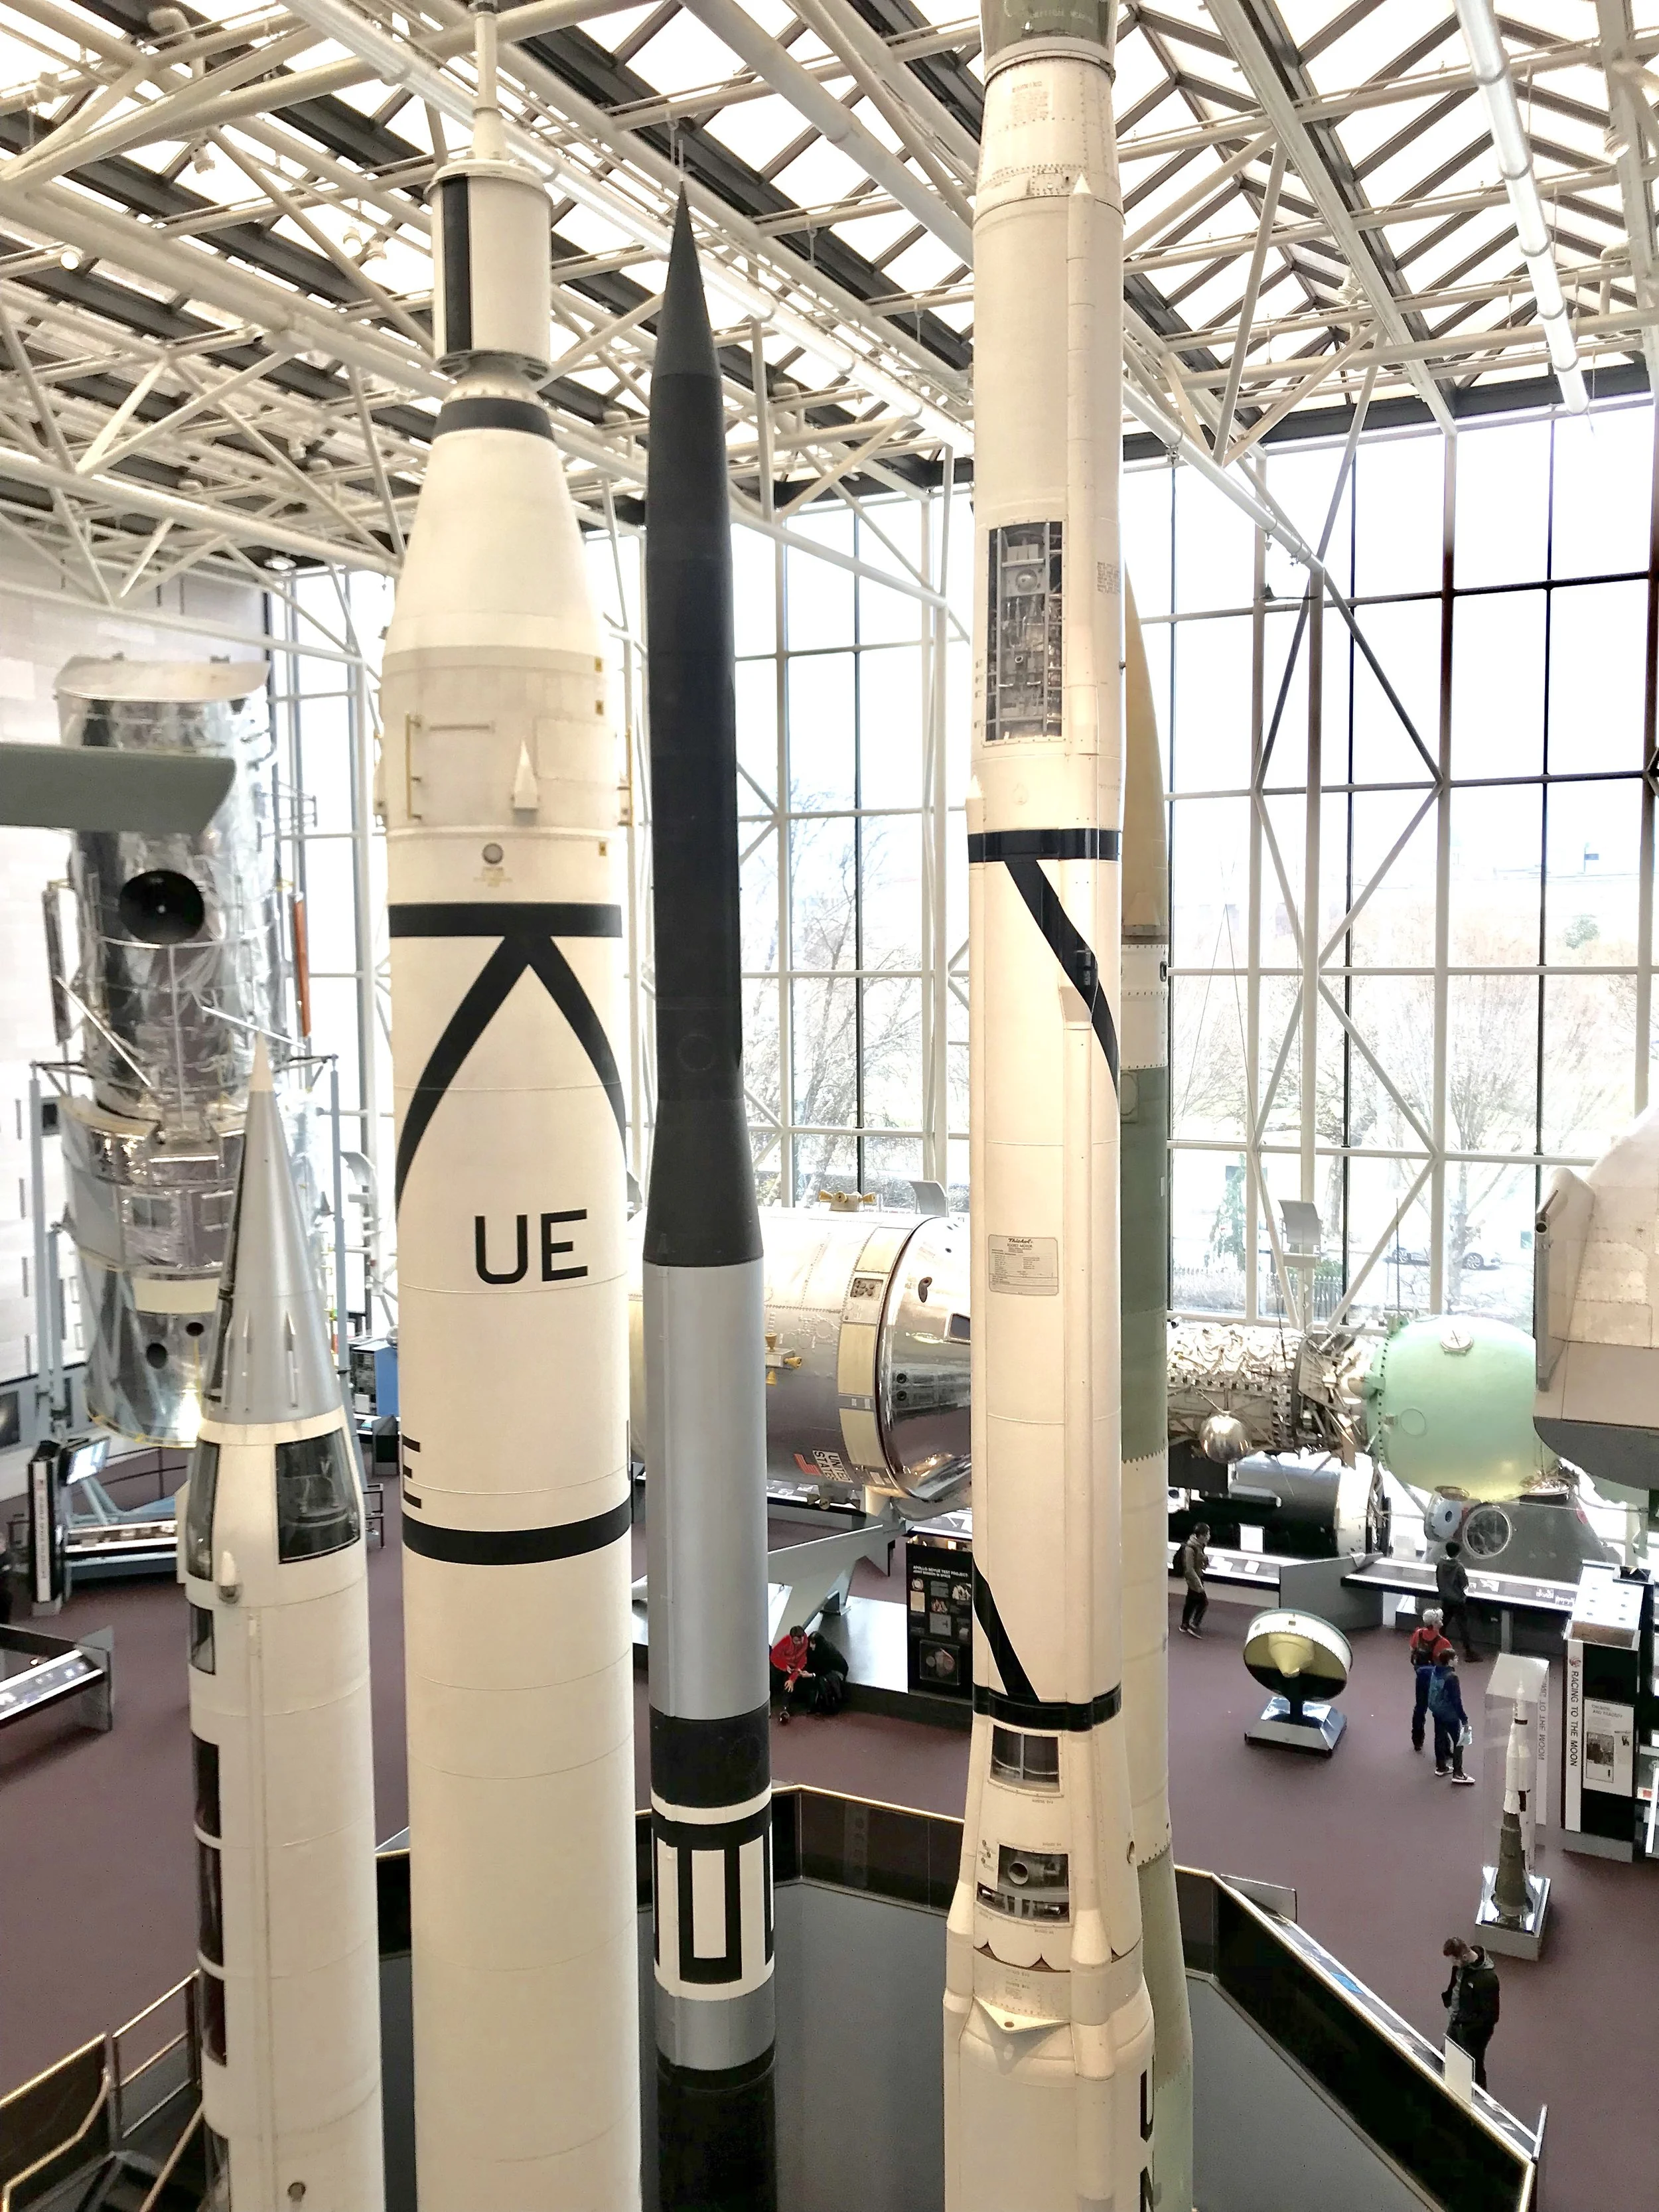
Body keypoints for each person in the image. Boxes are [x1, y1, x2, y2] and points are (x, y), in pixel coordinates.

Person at [1442, 1937, 1500, 2088]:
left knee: (1474, 2069)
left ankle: (1480, 2102)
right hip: (1457, 2022)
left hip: (1473, 2033)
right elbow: (1456, 1986)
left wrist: (1469, 2027)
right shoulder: (1462, 1967)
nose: (1453, 1965)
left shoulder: (1487, 1979)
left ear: (1465, 1957)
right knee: (1446, 2055)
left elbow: (1492, 2015)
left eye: (1454, 1961)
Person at [769, 1623, 846, 1721]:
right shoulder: (785, 1642)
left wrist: (793, 1679)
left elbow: (802, 1664)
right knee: (777, 1675)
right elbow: (774, 1656)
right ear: (791, 1638)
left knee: (789, 1683)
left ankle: (786, 1708)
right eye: (796, 1641)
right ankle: (779, 1704)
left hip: (797, 1669)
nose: (799, 1643)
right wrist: (785, 1666)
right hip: (786, 1666)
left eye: (801, 1640)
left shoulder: (807, 1645)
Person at [1409, 1607, 1453, 1753]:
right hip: (1436, 1679)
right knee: (1440, 1712)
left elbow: (1412, 1649)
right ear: (1434, 1623)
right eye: (1439, 1619)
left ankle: (1417, 1740)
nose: (1441, 1621)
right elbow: (1449, 1664)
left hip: (1421, 1676)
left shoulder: (1418, 1634)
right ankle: (1445, 1748)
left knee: (1420, 1708)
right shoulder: (1443, 1643)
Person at [1427, 1648, 1475, 1783]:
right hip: (1450, 1715)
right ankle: (1458, 1773)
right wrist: (1464, 1719)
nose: (1457, 1659)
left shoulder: (1436, 1671)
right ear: (1449, 1661)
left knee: (1440, 1738)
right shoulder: (1452, 1678)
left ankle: (1441, 1767)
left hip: (1437, 1711)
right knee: (1459, 1742)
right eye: (1455, 1658)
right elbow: (1456, 1701)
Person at [1435, 1539, 1478, 1660]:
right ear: (1458, 1553)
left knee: (1443, 1625)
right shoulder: (1459, 1567)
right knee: (1463, 1626)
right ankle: (1468, 1652)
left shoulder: (1441, 1563)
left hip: (1445, 1598)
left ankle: (1439, 1649)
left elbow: (1438, 1579)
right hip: (1457, 1600)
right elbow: (1464, 1584)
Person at [1177, 1523, 1210, 1638]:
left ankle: (1184, 1625)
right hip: (1194, 1578)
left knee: (1191, 1601)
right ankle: (1193, 1625)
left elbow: (1200, 1558)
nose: (1208, 1537)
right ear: (1200, 1536)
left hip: (1197, 1576)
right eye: (1206, 1534)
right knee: (1203, 1602)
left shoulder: (1199, 1545)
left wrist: (1204, 1560)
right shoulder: (1190, 1549)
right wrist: (1198, 1584)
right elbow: (1189, 1569)